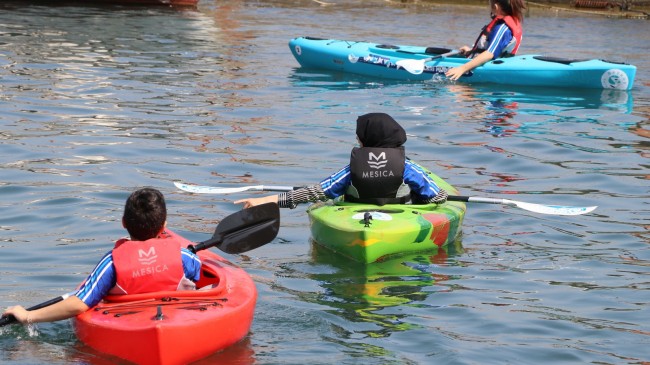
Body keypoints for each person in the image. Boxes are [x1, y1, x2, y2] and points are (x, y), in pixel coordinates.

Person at [3, 188, 202, 325]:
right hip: (175, 320)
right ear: (164, 225)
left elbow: (79, 303)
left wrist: (27, 316)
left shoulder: (112, 263)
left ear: (123, 222)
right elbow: (197, 279)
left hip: (130, 322)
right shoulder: (185, 257)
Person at [235, 113, 448, 209]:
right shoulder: (408, 168)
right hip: (401, 220)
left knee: (326, 198)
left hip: (354, 217)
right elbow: (438, 196)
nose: (357, 139)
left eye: (359, 137)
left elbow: (314, 192)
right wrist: (423, 200)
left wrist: (265, 201)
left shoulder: (350, 171)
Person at [446, 0, 526, 81]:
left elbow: (489, 54)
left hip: (488, 66)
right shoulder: (511, 23)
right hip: (494, 62)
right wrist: (471, 51)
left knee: (455, 90)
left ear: (496, 7)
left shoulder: (502, 28)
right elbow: (497, 48)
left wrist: (462, 69)